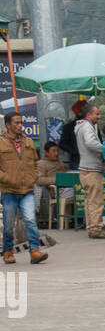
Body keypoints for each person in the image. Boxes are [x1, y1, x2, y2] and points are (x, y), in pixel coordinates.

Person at [0, 112, 48, 264]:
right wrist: (6, 178)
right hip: (9, 190)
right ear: (8, 125)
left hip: (27, 189)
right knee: (8, 223)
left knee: (30, 219)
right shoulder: (1, 142)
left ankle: (34, 251)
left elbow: (35, 162)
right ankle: (7, 251)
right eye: (16, 123)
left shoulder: (28, 142)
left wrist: (33, 176)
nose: (20, 125)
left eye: (21, 122)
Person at [75, 100, 105, 240]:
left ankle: (92, 226)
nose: (99, 116)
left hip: (85, 168)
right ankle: (96, 228)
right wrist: (104, 148)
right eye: (97, 114)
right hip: (92, 169)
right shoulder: (87, 127)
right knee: (96, 200)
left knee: (89, 200)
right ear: (89, 114)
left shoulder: (81, 126)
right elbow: (90, 143)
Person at [35, 139, 66, 228]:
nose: (56, 153)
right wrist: (57, 180)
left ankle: (80, 220)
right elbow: (39, 180)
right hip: (56, 191)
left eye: (57, 151)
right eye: (53, 151)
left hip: (68, 188)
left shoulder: (60, 163)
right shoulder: (41, 164)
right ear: (46, 152)